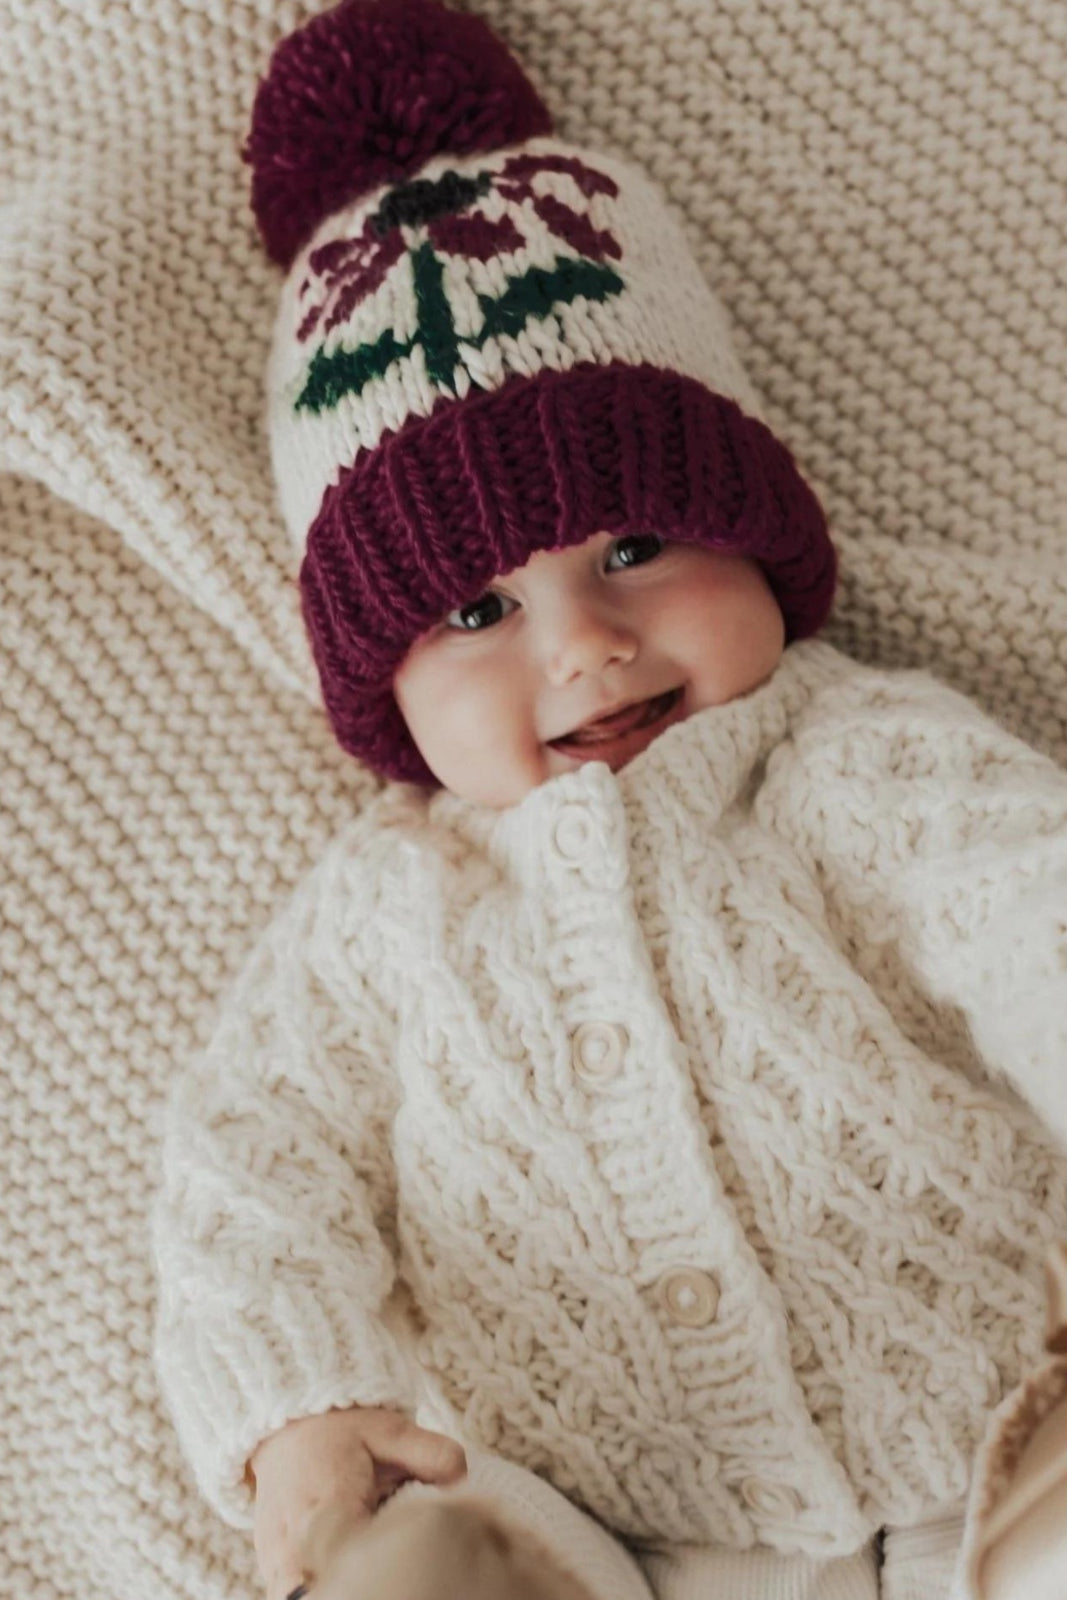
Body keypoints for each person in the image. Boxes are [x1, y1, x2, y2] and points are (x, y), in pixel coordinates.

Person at [150, 2, 1067, 1598]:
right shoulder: (388, 915)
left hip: (987, 1421)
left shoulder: (855, 763)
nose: (584, 646)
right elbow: (252, 1153)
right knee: (429, 1562)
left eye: (635, 549)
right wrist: (301, 1406)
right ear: (385, 691)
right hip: (608, 1523)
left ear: (754, 537)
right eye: (479, 611)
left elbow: (1031, 911)